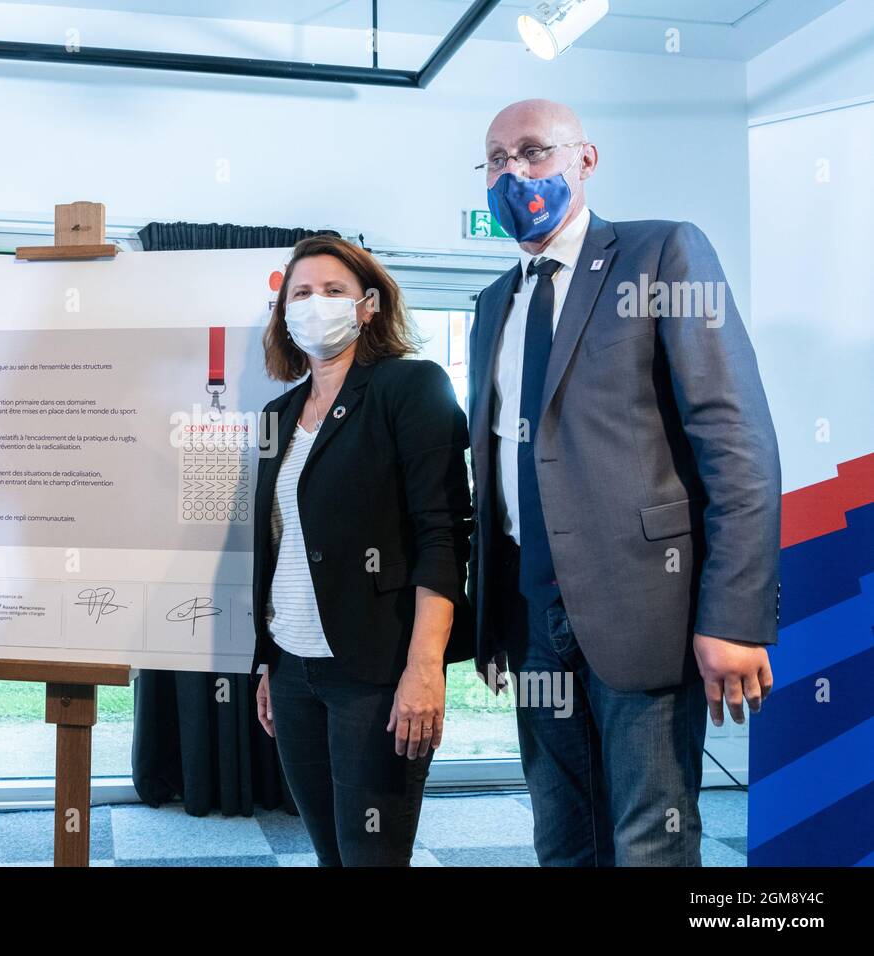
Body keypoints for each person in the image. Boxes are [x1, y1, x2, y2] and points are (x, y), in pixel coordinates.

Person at [467, 99, 781, 865]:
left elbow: (735, 441)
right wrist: (491, 614)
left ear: (585, 159)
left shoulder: (661, 254)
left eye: (534, 152)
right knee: (562, 833)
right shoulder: (491, 305)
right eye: (497, 160)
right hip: (533, 619)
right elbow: (497, 470)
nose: (515, 173)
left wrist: (736, 615)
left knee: (649, 840)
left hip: (646, 608)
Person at [249, 235, 474, 866]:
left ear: (368, 306)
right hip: (293, 669)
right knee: (329, 855)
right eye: (300, 293)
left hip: (376, 673)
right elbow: (279, 546)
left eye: (333, 291)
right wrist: (270, 662)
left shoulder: (411, 388)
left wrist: (424, 669)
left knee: (371, 857)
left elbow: (443, 534)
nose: (314, 304)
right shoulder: (280, 412)